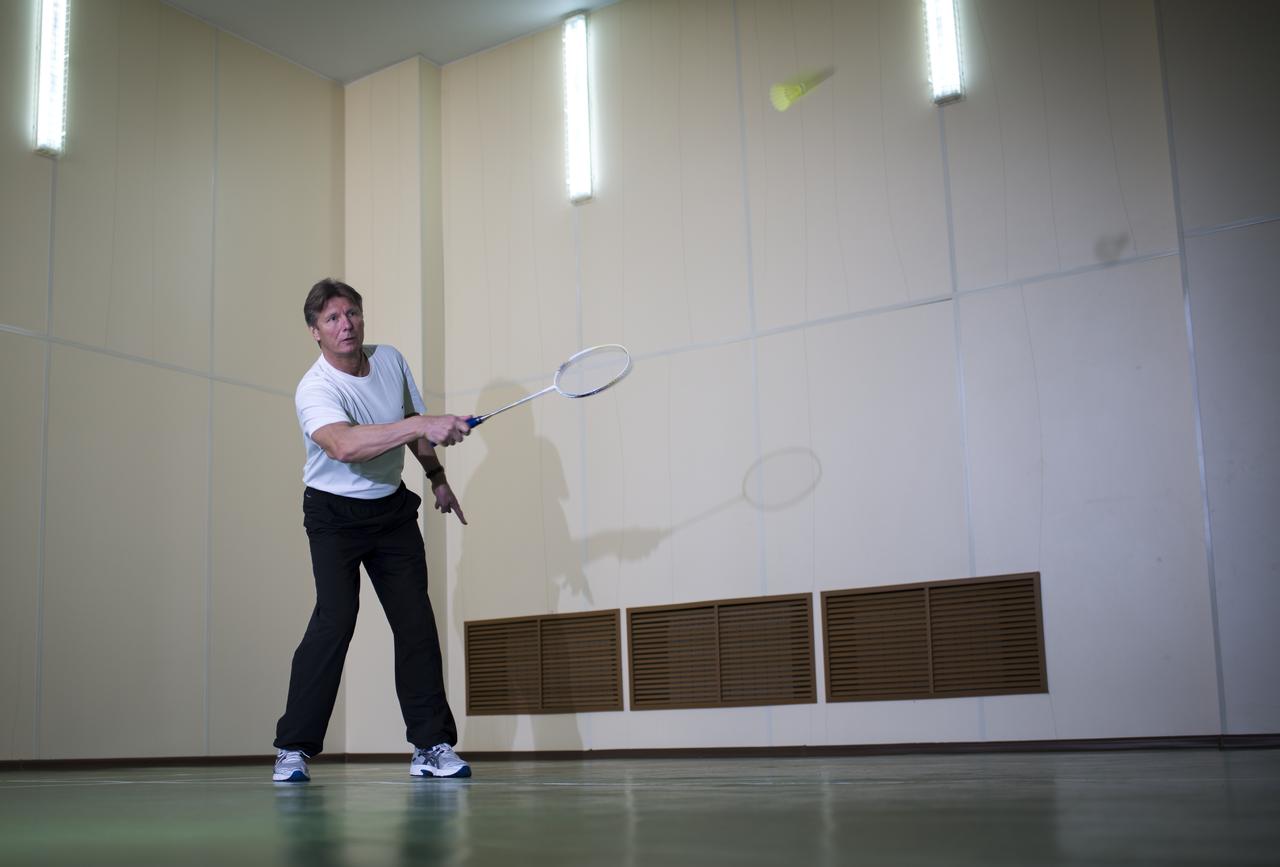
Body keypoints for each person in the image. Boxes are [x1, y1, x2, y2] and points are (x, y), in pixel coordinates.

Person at [273, 278, 473, 782]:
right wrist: (422, 425)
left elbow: (410, 420)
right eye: (332, 319)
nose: (346, 325)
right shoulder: (315, 388)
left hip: (390, 512)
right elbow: (345, 446)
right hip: (333, 515)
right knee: (335, 620)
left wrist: (437, 478)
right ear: (315, 332)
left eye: (352, 313)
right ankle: (293, 748)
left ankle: (431, 745)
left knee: (416, 622)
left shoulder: (389, 360)